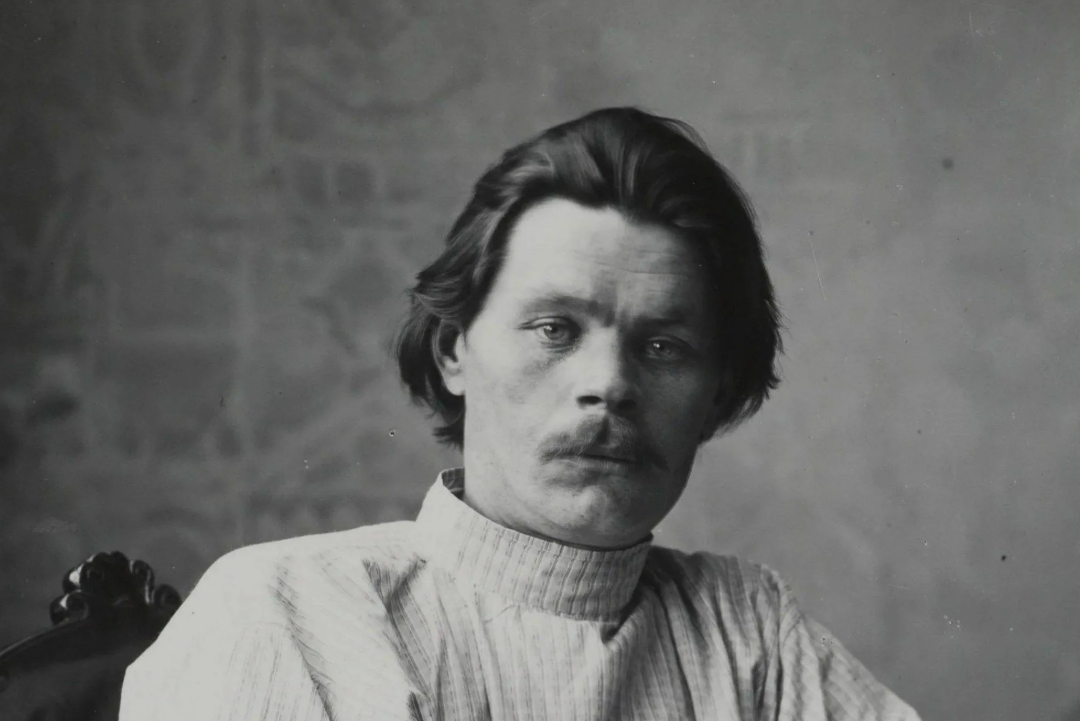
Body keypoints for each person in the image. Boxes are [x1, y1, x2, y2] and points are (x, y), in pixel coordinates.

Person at [119, 107, 922, 720]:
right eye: (554, 329)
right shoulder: (290, 611)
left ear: (716, 389)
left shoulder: (746, 629)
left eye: (663, 345)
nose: (609, 384)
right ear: (454, 350)